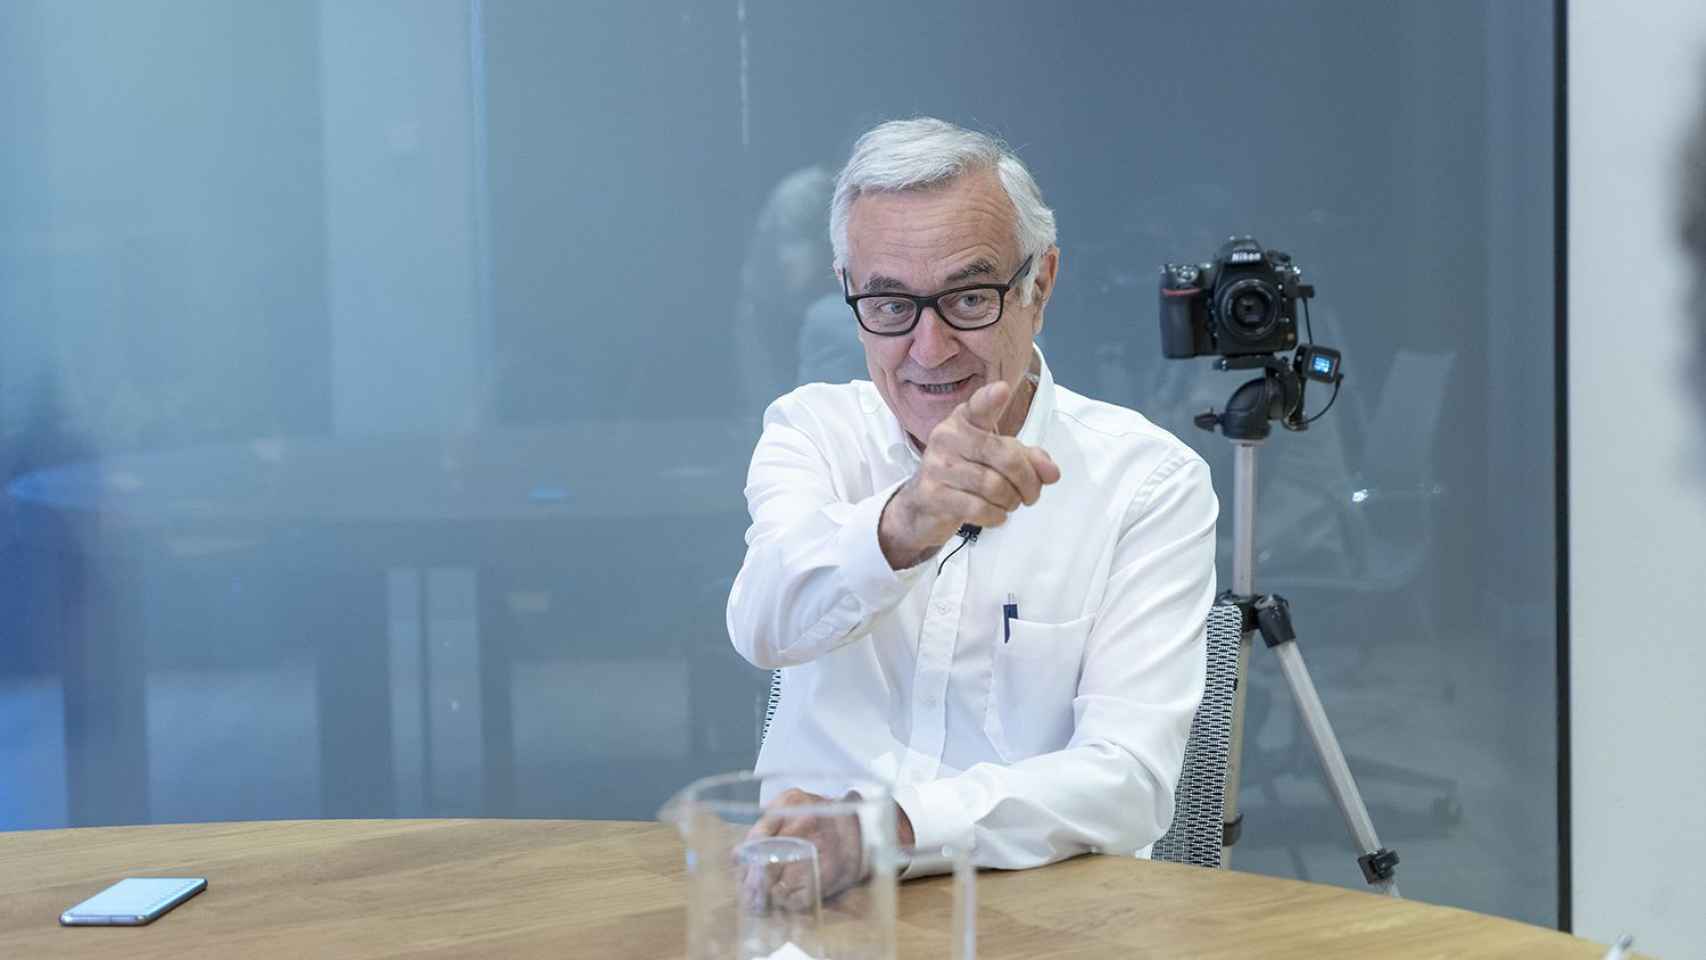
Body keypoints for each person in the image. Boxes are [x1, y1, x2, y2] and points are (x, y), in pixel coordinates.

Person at [725, 118, 1218, 893]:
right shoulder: (813, 431)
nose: (929, 349)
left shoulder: (1149, 482)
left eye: (967, 297)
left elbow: (1129, 783)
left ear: (1040, 285)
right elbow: (762, 626)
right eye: (888, 304)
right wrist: (903, 524)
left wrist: (887, 829)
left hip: (1047, 911)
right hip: (821, 909)